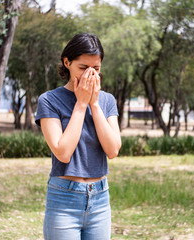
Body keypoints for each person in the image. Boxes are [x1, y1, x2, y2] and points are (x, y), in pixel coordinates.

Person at [35, 33, 121, 240]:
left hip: (100, 199)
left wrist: (94, 103)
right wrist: (81, 104)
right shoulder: (49, 100)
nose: (90, 75)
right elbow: (63, 152)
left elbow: (113, 150)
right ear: (67, 62)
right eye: (83, 68)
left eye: (96, 69)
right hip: (64, 198)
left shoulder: (107, 101)